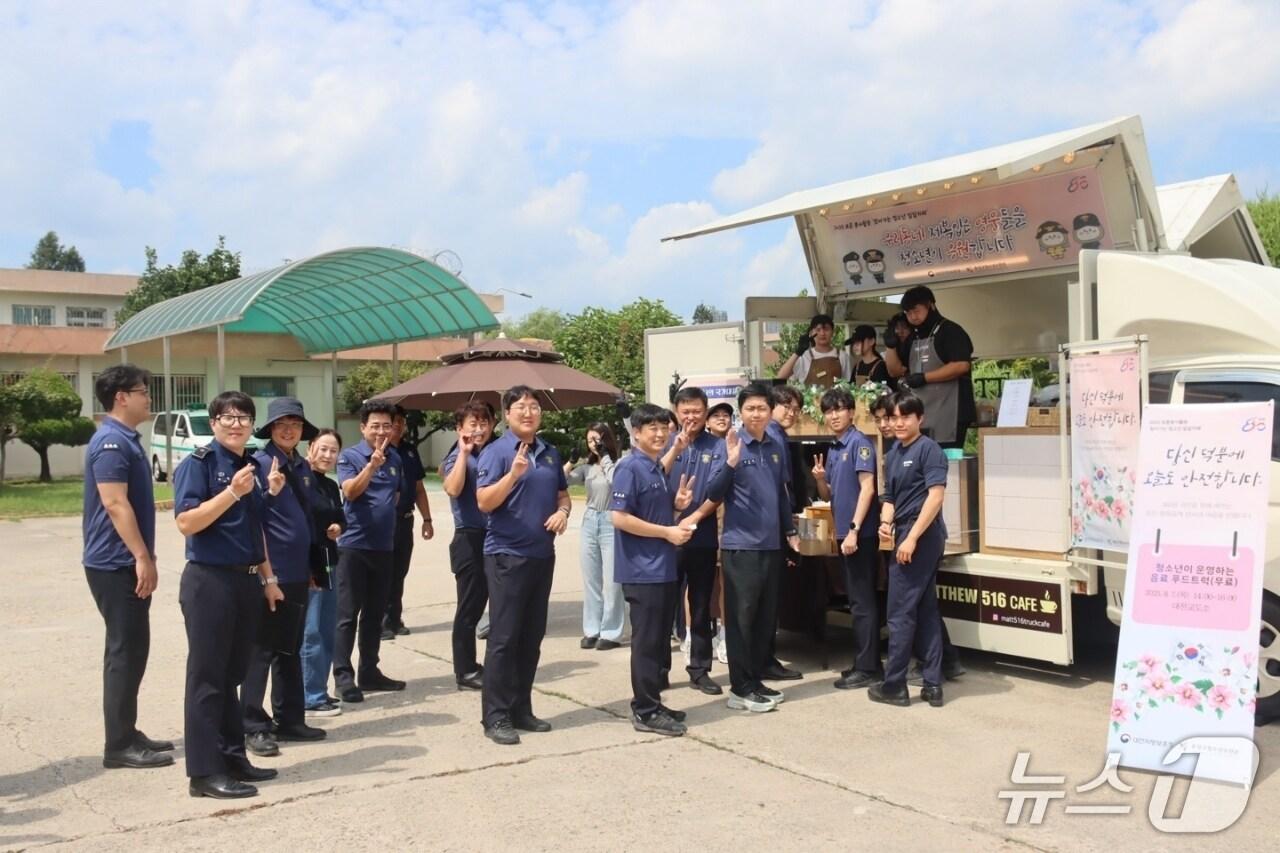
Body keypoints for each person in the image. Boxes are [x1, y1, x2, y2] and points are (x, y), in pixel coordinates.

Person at [174, 391, 285, 799]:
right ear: (215, 422)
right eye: (228, 417)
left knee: (233, 674)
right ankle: (203, 773)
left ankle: (232, 757)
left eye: (244, 417)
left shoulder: (251, 465)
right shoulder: (198, 465)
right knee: (207, 678)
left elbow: (253, 529)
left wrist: (268, 579)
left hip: (245, 580)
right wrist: (233, 493)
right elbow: (186, 522)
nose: (236, 424)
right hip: (209, 580)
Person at [82, 364, 173, 770]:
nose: (147, 399)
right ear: (121, 396)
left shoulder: (125, 439)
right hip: (115, 562)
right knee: (125, 650)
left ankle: (127, 730)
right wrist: (141, 557)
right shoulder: (111, 444)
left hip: (123, 560)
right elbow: (115, 503)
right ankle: (118, 744)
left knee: (134, 649)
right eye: (142, 392)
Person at [475, 386, 571, 745]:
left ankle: (521, 708)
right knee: (504, 637)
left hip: (542, 555)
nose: (528, 413)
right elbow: (484, 501)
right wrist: (512, 475)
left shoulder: (549, 452)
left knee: (531, 637)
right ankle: (495, 716)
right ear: (507, 414)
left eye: (534, 407)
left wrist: (563, 512)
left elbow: (562, 494)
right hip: (505, 556)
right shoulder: (496, 452)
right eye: (520, 407)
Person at [241, 398, 327, 757]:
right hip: (271, 572)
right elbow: (254, 517)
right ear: (270, 429)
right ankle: (253, 725)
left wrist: (311, 566)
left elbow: (306, 517)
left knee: (289, 648)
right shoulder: (259, 464)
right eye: (281, 424)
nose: (288, 429)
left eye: (294, 423)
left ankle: (289, 717)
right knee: (260, 651)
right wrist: (267, 574)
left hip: (296, 571)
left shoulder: (302, 466)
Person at [708, 383, 800, 713]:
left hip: (771, 545)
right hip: (740, 546)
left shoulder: (776, 444)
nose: (757, 414)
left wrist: (789, 530)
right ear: (741, 412)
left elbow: (781, 493)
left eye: (762, 408)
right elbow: (713, 491)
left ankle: (756, 679)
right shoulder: (730, 444)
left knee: (764, 617)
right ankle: (740, 687)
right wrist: (731, 462)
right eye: (750, 409)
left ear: (770, 411)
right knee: (741, 619)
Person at [612, 404, 696, 736]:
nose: (660, 434)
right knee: (646, 643)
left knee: (658, 641)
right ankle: (644, 710)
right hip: (641, 570)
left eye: (665, 427)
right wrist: (667, 533)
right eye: (652, 429)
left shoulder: (654, 468)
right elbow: (619, 517)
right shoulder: (630, 468)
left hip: (660, 567)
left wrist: (675, 506)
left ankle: (653, 701)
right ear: (636, 432)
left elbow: (652, 510)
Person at [870, 393, 948, 709]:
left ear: (920, 419)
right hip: (903, 533)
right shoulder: (893, 452)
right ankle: (932, 684)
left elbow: (936, 497)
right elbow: (889, 497)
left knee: (900, 612)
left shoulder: (929, 451)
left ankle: (895, 685)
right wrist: (885, 524)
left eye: (905, 417)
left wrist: (912, 537)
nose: (898, 423)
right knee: (925, 610)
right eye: (894, 417)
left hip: (921, 536)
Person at [333, 401, 406, 704]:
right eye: (374, 425)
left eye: (386, 425)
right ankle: (342, 676)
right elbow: (350, 491)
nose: (380, 431)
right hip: (353, 546)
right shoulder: (349, 456)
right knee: (347, 614)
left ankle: (370, 671)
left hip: (384, 547)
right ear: (362, 427)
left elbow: (397, 495)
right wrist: (371, 466)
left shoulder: (396, 459)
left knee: (375, 614)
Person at [661, 386, 731, 695]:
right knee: (663, 606)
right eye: (685, 411)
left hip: (701, 538)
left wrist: (693, 518)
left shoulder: (717, 446)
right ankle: (658, 669)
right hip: (665, 538)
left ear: (706, 413)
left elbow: (717, 490)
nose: (691, 417)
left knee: (701, 605)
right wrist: (676, 447)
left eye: (697, 411)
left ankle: (700, 669)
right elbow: (650, 478)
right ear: (676, 412)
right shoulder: (663, 443)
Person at [812, 387, 881, 690]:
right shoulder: (836, 448)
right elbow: (829, 495)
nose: (834, 415)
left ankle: (869, 667)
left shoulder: (859, 444)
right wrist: (819, 480)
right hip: (844, 535)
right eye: (829, 411)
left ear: (852, 412)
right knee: (856, 600)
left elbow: (868, 489)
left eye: (840, 409)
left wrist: (853, 529)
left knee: (862, 602)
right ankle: (863, 661)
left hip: (859, 536)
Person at [441, 401, 496, 691]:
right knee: (469, 608)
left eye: (484, 423)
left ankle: (480, 664)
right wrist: (462, 452)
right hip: (469, 538)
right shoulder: (457, 456)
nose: (479, 429)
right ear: (459, 429)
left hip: (493, 537)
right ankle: (465, 670)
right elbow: (452, 488)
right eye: (472, 424)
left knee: (490, 602)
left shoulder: (491, 453)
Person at [565, 423, 625, 651]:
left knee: (611, 581)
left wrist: (606, 455)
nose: (593, 444)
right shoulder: (587, 468)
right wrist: (571, 460)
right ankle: (591, 628)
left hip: (611, 520)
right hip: (590, 519)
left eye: (597, 439)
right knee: (591, 579)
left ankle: (611, 631)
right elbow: (562, 480)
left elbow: (615, 481)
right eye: (590, 440)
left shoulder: (619, 464)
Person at [897, 285, 976, 449]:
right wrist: (891, 346)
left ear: (931, 305)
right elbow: (896, 370)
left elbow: (961, 365)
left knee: (946, 465)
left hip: (950, 413)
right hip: (923, 412)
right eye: (908, 313)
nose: (913, 316)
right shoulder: (913, 337)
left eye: (916, 310)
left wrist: (924, 378)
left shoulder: (951, 331)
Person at [301, 429, 345, 717]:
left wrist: (338, 528)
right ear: (310, 448)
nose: (327, 455)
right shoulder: (301, 481)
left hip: (330, 560)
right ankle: (310, 695)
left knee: (327, 629)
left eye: (333, 451)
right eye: (323, 449)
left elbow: (340, 517)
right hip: (308, 564)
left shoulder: (329, 486)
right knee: (312, 632)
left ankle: (319, 690)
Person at [762, 384, 804, 682]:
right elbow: (781, 486)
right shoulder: (773, 437)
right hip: (773, 527)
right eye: (785, 406)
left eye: (795, 408)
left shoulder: (776, 435)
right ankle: (765, 660)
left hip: (774, 524)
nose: (791, 412)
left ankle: (765, 658)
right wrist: (790, 527)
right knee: (767, 600)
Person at [383, 407, 434, 639]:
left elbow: (419, 489)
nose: (399, 426)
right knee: (384, 571)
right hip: (384, 522)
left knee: (399, 572)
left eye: (402, 422)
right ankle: (381, 621)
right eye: (395, 422)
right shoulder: (377, 452)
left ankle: (394, 618)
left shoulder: (410, 451)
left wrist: (427, 519)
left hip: (405, 519)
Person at [776, 313, 850, 388]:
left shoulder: (842, 356)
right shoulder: (804, 357)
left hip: (836, 399)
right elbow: (780, 377)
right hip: (809, 399)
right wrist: (798, 352)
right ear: (811, 333)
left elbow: (848, 385)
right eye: (818, 330)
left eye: (826, 329)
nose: (822, 333)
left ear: (832, 332)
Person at [882, 312, 913, 391]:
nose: (900, 332)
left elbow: (899, 371)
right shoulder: (892, 346)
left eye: (904, 327)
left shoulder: (915, 346)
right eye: (896, 328)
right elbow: (892, 373)